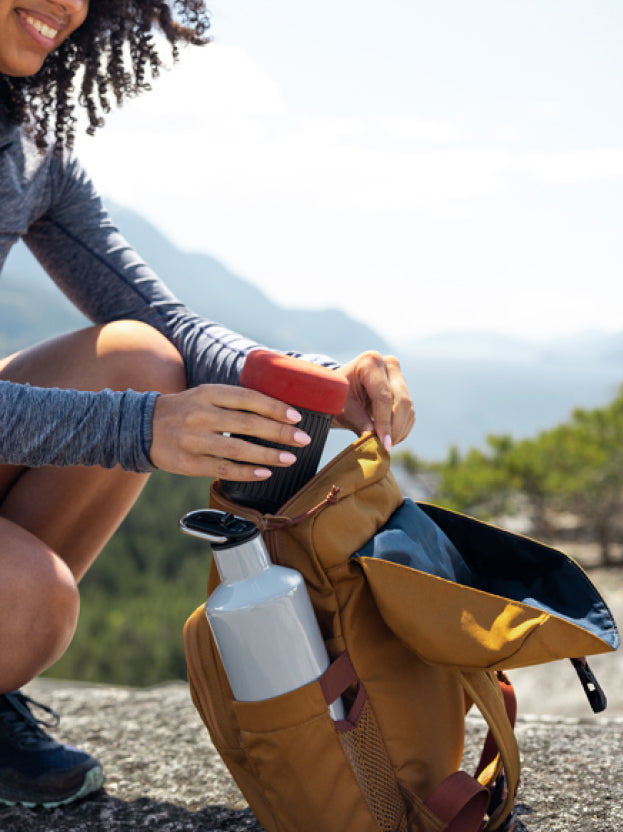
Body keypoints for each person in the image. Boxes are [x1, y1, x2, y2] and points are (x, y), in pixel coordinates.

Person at [0, 0, 415, 810]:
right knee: (27, 604)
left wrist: (325, 385)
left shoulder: (33, 147)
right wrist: (141, 432)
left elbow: (171, 325)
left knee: (141, 358)